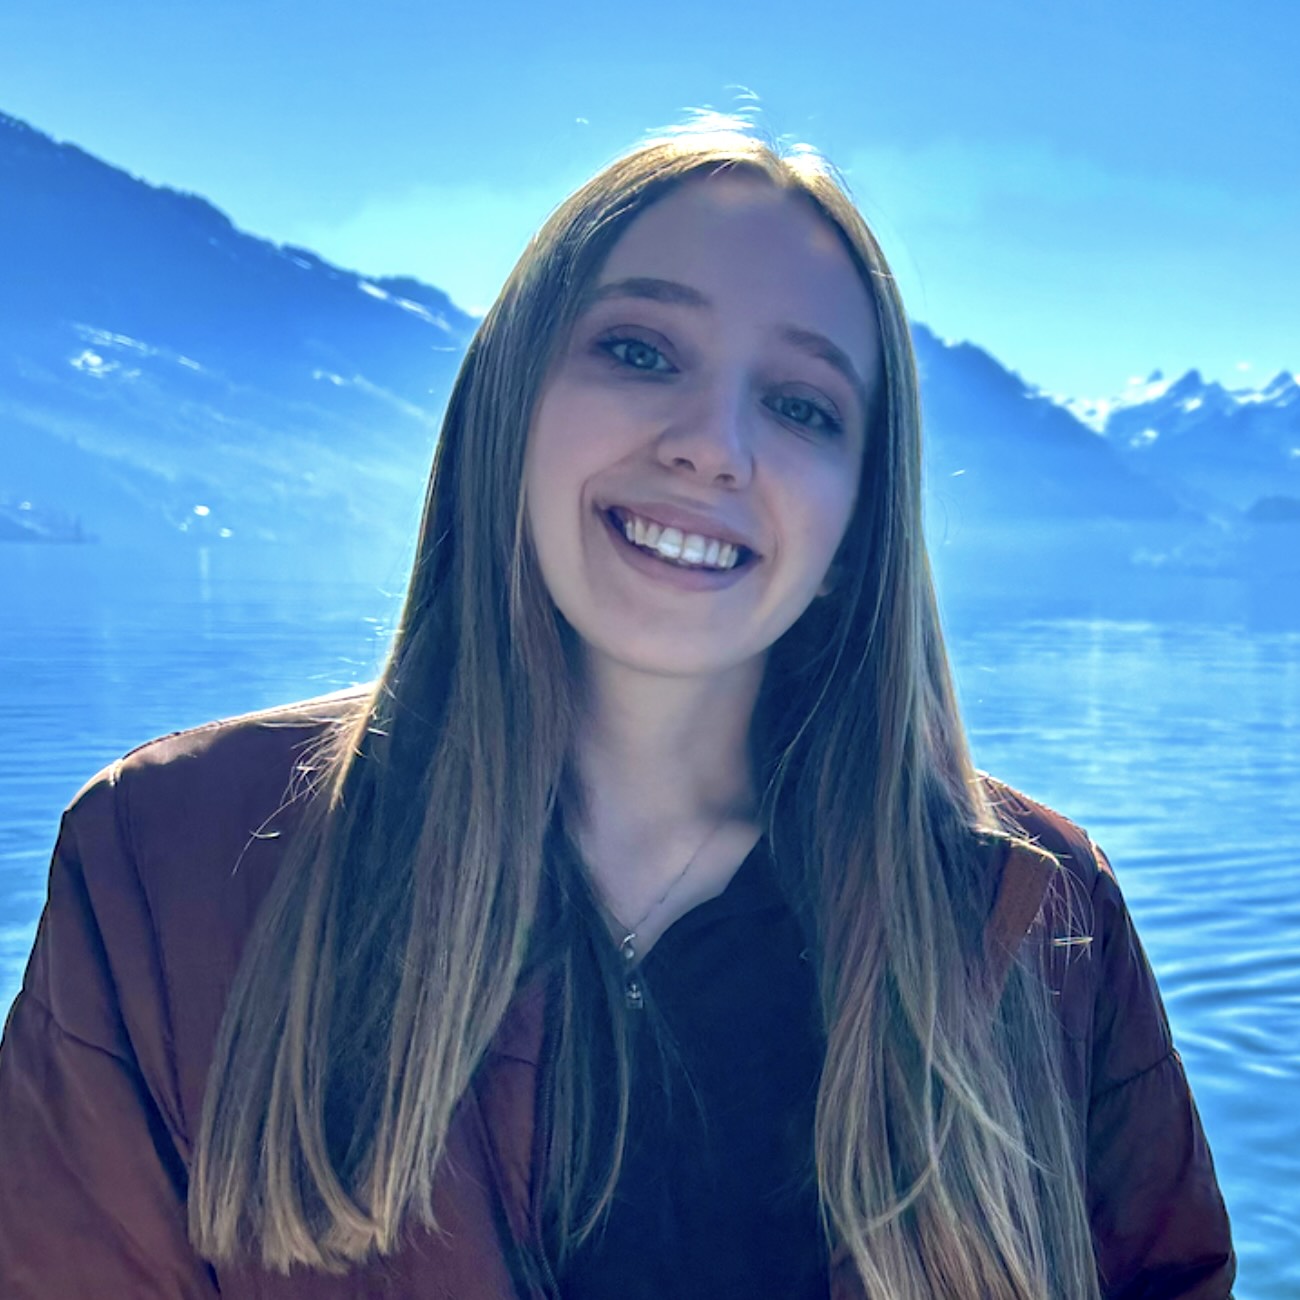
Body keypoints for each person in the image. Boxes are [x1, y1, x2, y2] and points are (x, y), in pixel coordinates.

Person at [0, 118, 1235, 1299]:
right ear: (509, 405)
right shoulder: (171, 861)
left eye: (802, 405)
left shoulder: (1039, 918)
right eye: (641, 350)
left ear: (860, 526)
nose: (711, 445)